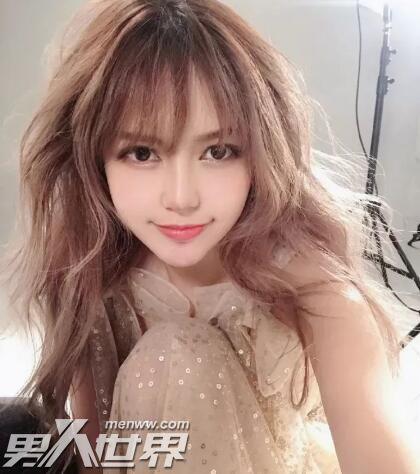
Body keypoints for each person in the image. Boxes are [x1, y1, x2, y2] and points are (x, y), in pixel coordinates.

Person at [1, 0, 419, 473]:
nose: (182, 198)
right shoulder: (89, 273)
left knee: (175, 356)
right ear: (95, 160)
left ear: (260, 152)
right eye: (142, 153)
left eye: (218, 151)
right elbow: (100, 453)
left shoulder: (316, 290)